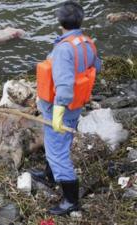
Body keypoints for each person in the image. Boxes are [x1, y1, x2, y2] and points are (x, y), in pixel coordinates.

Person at [32, 1, 101, 215]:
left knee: (58, 153)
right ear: (80, 20)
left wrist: (58, 114)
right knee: (56, 145)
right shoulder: (87, 42)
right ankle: (50, 176)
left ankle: (71, 200)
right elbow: (96, 66)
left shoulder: (63, 49)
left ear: (59, 21)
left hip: (59, 108)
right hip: (76, 106)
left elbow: (63, 87)